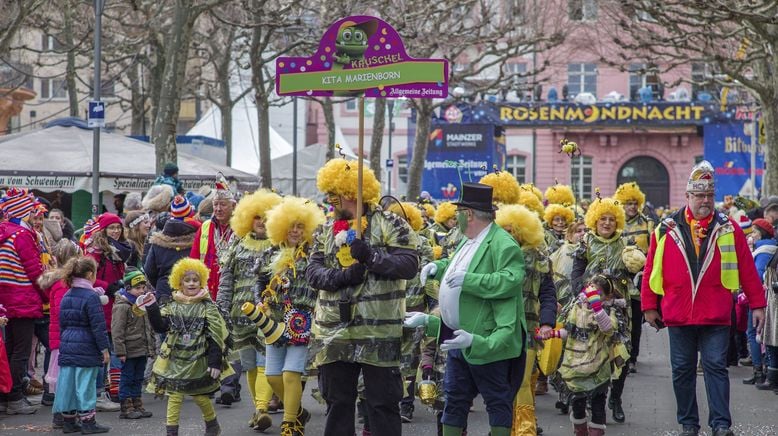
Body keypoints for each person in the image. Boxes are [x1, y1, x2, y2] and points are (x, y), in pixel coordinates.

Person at [641, 160, 767, 436]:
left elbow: (747, 268)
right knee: (682, 371)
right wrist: (649, 306)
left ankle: (721, 424)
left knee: (715, 368)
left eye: (709, 195)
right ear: (687, 197)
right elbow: (651, 268)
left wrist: (757, 304)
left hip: (716, 312)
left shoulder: (730, 228)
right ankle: (689, 424)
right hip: (678, 313)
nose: (705, 201)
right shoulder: (665, 228)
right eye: (699, 195)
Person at [306, 158, 419, 436]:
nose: (330, 200)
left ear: (352, 193)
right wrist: (343, 276)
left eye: (335, 194)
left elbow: (408, 265)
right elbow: (313, 273)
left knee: (382, 404)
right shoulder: (324, 229)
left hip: (379, 332)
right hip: (334, 333)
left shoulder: (391, 223)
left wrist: (371, 256)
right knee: (338, 404)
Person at [408, 182, 527, 436]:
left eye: (458, 212)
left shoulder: (504, 244)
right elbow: (457, 264)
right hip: (456, 336)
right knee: (454, 400)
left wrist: (469, 280)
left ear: (469, 214)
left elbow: (511, 279)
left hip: (487, 340)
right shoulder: (469, 239)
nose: (456, 217)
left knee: (497, 402)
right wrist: (438, 268)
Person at [255, 196, 324, 435]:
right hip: (274, 321)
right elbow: (260, 279)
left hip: (302, 321)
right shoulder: (271, 253)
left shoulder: (315, 254)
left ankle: (289, 423)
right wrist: (259, 301)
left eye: (300, 226)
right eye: (291, 226)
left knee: (291, 374)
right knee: (274, 376)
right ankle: (299, 413)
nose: (295, 231)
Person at [142, 258, 231, 436]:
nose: (191, 283)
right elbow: (160, 327)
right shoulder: (172, 304)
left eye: (195, 280)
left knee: (200, 396)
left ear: (201, 282)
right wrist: (151, 307)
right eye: (187, 280)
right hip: (176, 359)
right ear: (179, 282)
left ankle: (212, 424)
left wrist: (215, 362)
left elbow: (216, 336)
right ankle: (172, 432)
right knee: (174, 396)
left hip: (198, 360)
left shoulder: (208, 307)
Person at [216, 190, 280, 421]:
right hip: (239, 315)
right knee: (249, 364)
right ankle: (258, 409)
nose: (261, 221)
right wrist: (221, 310)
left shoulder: (278, 246)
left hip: (269, 315)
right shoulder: (238, 244)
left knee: (266, 362)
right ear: (247, 219)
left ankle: (262, 408)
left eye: (266, 216)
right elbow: (226, 280)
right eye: (256, 217)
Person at [571, 193, 634, 425]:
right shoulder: (585, 242)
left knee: (621, 353)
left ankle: (615, 398)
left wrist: (634, 268)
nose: (607, 223)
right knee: (593, 352)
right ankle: (594, 396)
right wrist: (581, 290)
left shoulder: (625, 243)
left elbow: (636, 271)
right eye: (602, 219)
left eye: (611, 219)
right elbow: (575, 272)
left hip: (618, 308)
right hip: (590, 307)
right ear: (594, 221)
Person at [495, 204, 556, 435]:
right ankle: (504, 425)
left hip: (528, 330)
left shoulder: (539, 258)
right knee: (506, 382)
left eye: (513, 231)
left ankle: (524, 429)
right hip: (498, 328)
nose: (509, 235)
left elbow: (548, 293)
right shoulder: (494, 255)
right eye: (505, 230)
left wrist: (548, 322)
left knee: (520, 380)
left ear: (522, 232)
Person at [384, 201, 435, 424]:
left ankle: (406, 405)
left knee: (410, 359)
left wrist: (433, 307)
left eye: (402, 219)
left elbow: (431, 279)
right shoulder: (382, 243)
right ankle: (383, 403)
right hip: (385, 309)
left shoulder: (421, 243)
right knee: (386, 358)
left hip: (413, 308)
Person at [53, 255, 112, 434]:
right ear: (89, 274)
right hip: (87, 346)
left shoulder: (67, 295)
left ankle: (69, 421)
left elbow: (62, 323)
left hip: (68, 344)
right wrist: (104, 349)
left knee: (68, 385)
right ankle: (88, 422)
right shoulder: (91, 297)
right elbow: (98, 326)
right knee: (86, 385)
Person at [0, 187, 46, 415]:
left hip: (6, 300)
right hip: (23, 300)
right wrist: (48, 294)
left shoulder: (5, 233)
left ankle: (5, 397)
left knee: (8, 350)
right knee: (21, 351)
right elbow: (35, 272)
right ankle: (15, 397)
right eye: (30, 210)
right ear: (23, 211)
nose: (33, 214)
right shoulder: (22, 236)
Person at [560, 275, 623, 436]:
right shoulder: (577, 308)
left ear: (607, 297)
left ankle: (596, 431)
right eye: (591, 293)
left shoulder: (609, 310)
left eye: (599, 295)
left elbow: (609, 329)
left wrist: (598, 309)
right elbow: (570, 331)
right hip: (577, 366)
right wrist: (551, 334)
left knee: (597, 402)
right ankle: (580, 430)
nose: (592, 298)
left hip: (599, 367)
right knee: (578, 404)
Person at [84, 213, 130, 412]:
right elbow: (87, 276)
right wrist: (109, 286)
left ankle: (115, 389)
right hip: (102, 305)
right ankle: (98, 393)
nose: (116, 231)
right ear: (103, 230)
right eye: (112, 228)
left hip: (118, 305)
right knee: (103, 352)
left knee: (116, 350)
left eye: (118, 227)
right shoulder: (96, 251)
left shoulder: (119, 250)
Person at [614, 182, 655, 374]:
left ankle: (633, 357)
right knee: (620, 318)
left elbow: (654, 249)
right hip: (619, 277)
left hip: (639, 277)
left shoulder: (647, 223)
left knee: (636, 319)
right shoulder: (616, 222)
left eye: (634, 203)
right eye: (627, 203)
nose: (631, 207)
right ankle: (619, 354)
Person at [40, 239, 82, 428]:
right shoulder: (63, 284)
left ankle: (64, 414)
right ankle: (61, 415)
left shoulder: (61, 283)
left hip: (63, 337)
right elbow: (62, 312)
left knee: (63, 380)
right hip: (65, 337)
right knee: (63, 381)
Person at [111, 270, 155, 420]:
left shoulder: (142, 304)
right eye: (138, 288)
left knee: (138, 378)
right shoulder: (122, 306)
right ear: (128, 288)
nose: (142, 291)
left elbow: (147, 327)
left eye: (143, 288)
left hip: (141, 348)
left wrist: (150, 347)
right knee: (127, 377)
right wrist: (120, 352)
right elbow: (117, 330)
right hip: (129, 350)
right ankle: (126, 406)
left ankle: (137, 403)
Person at [190, 180, 235, 300]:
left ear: (233, 206)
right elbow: (194, 260)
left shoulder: (240, 228)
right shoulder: (205, 226)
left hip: (232, 291)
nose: (218, 209)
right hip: (207, 290)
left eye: (223, 204)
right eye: (215, 204)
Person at [144, 210, 196, 307]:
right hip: (189, 290)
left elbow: (149, 270)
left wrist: (161, 283)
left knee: (164, 320)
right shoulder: (195, 241)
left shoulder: (157, 242)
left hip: (164, 291)